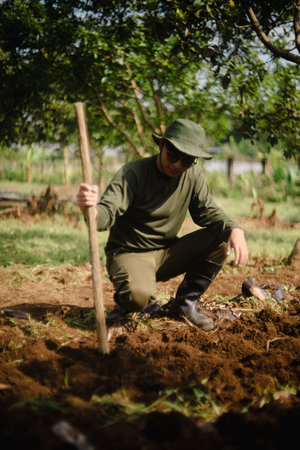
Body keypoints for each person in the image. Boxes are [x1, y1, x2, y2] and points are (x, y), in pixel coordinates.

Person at [77, 119, 248, 330]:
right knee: (138, 298)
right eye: (173, 156)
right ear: (161, 146)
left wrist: (234, 229)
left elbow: (207, 212)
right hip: (130, 253)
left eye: (186, 161)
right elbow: (106, 214)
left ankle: (185, 304)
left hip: (167, 253)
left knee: (220, 238)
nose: (177, 165)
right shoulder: (133, 174)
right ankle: (126, 302)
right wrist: (91, 210)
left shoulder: (192, 176)